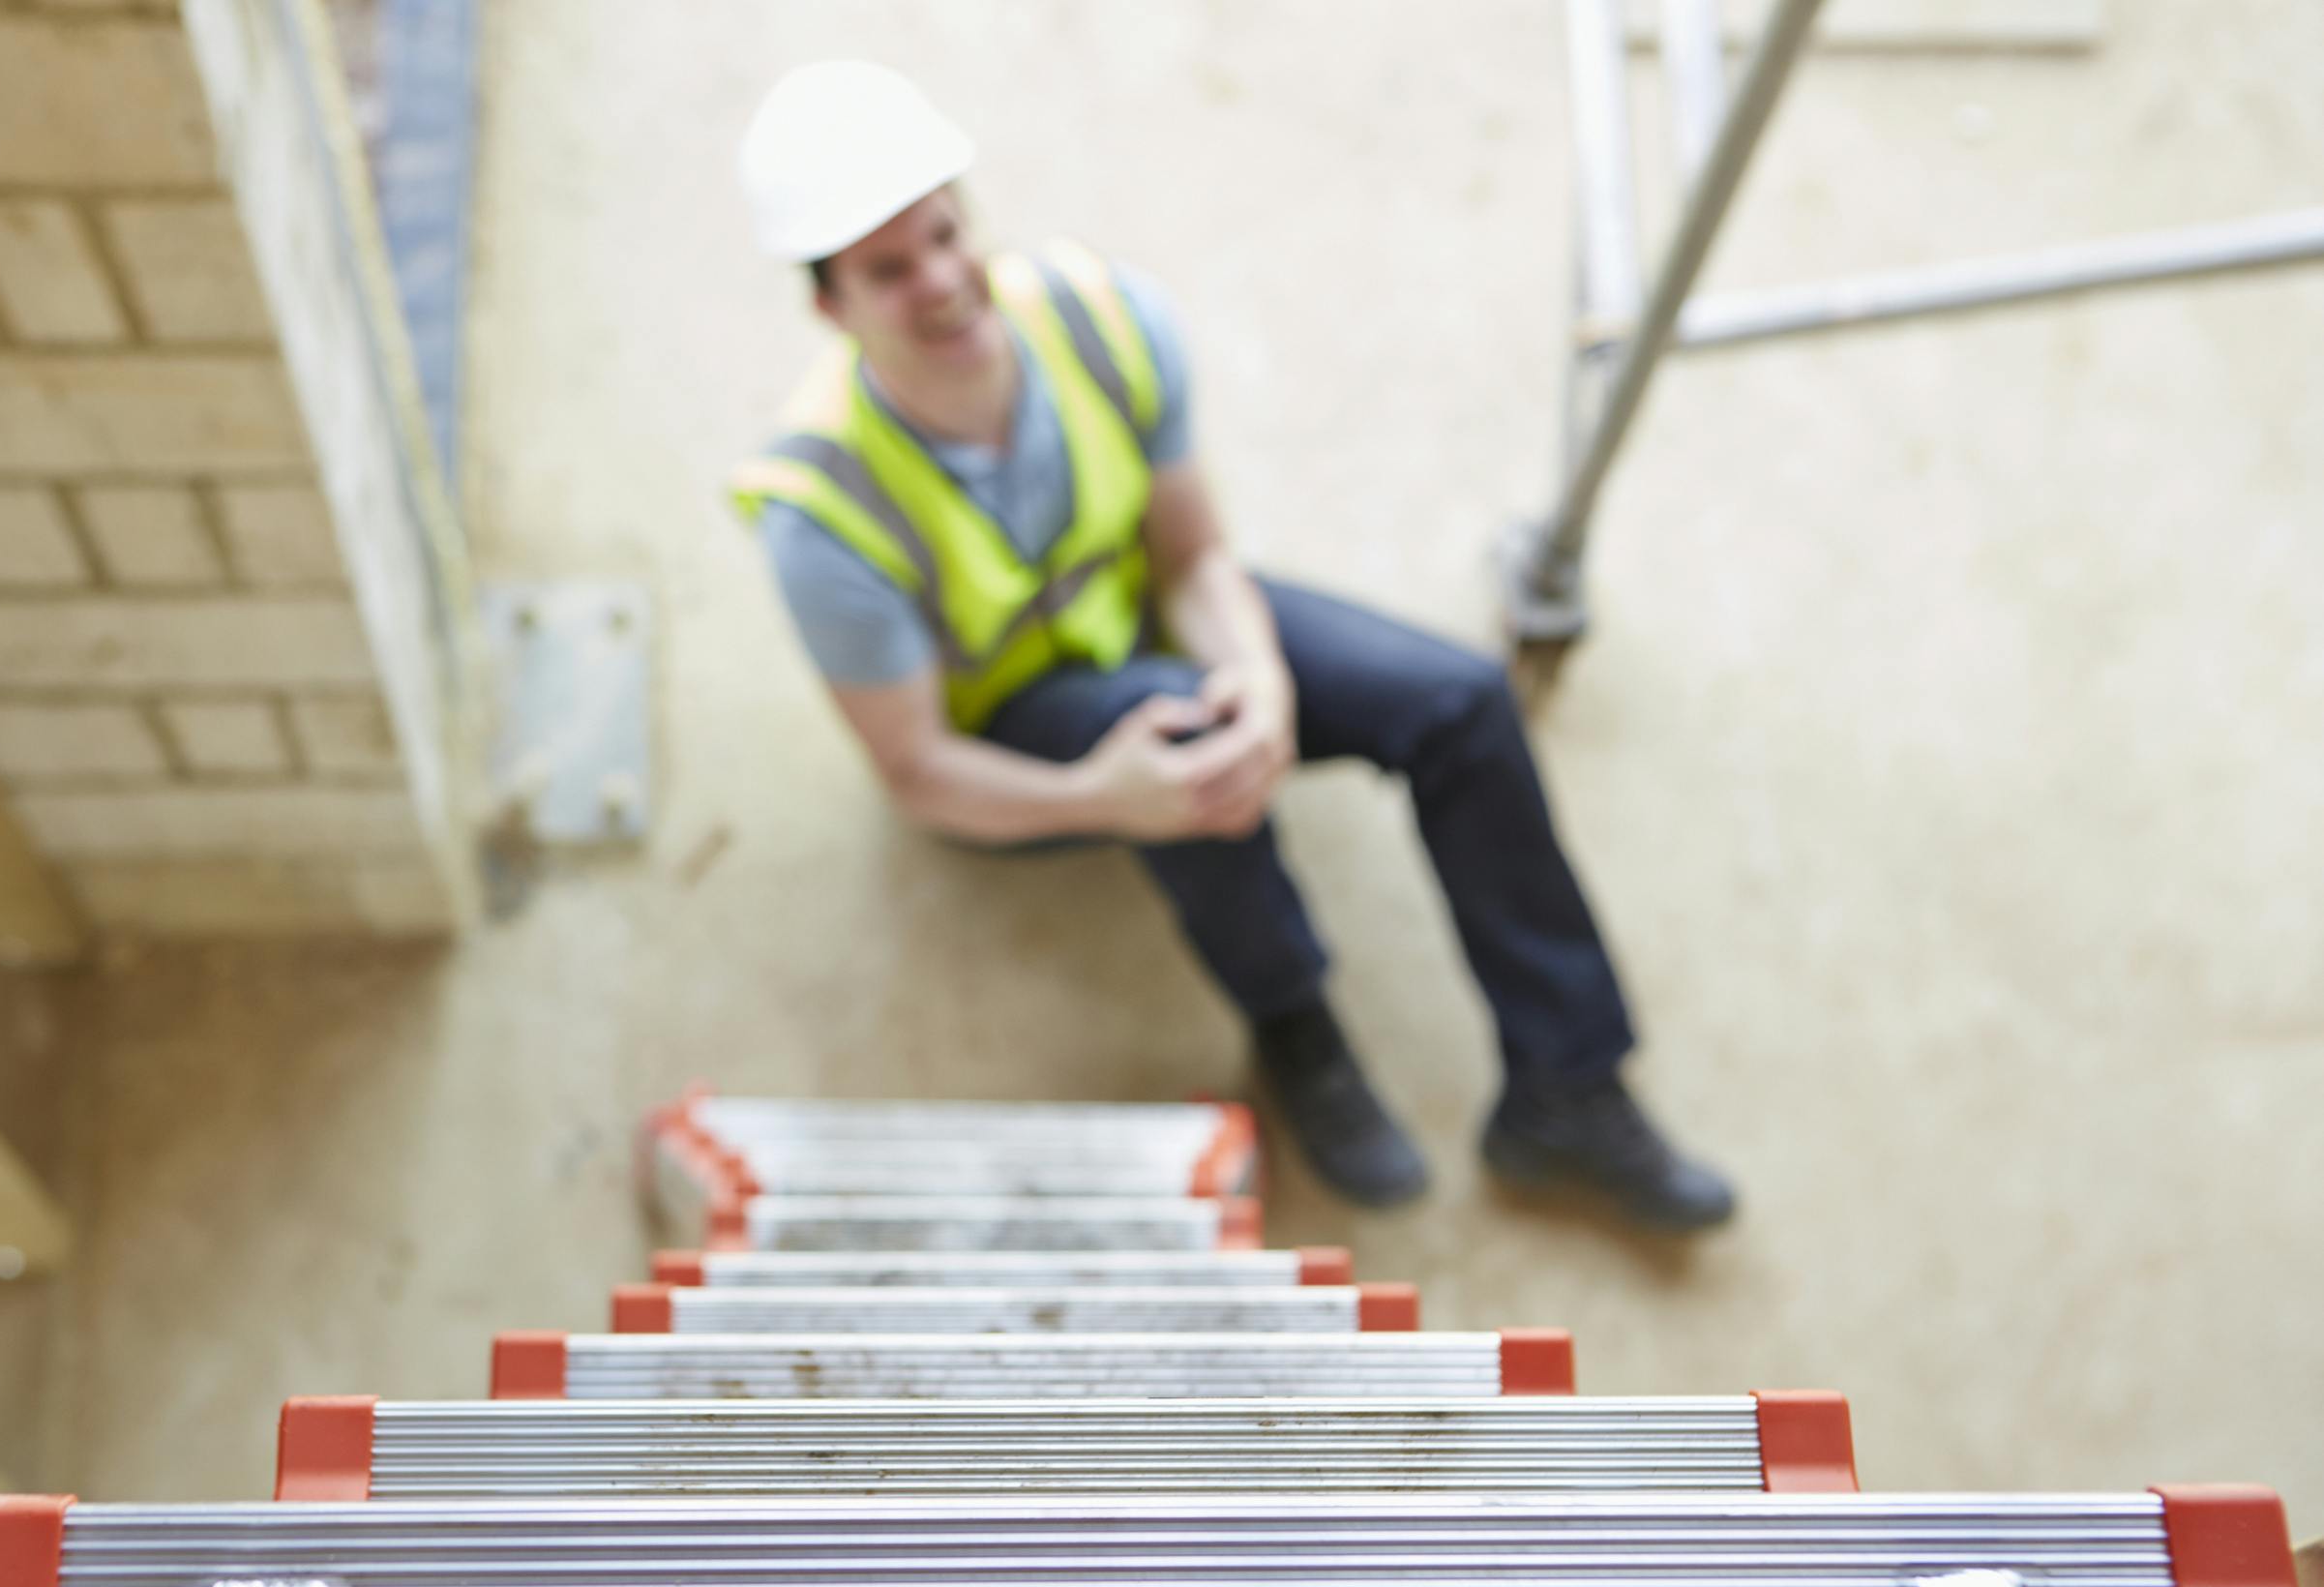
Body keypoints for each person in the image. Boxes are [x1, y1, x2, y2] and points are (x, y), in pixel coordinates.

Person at [729, 61, 1733, 1227]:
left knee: (1456, 702)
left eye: (947, 236)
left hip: (1148, 621)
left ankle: (1567, 1084)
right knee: (1182, 740)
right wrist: (1103, 798)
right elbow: (915, 772)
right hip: (1014, 738)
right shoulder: (823, 515)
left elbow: (1193, 557)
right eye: (888, 272)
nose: (945, 283)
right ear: (828, 307)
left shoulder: (1104, 324)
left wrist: (1257, 675)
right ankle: (1293, 1023)